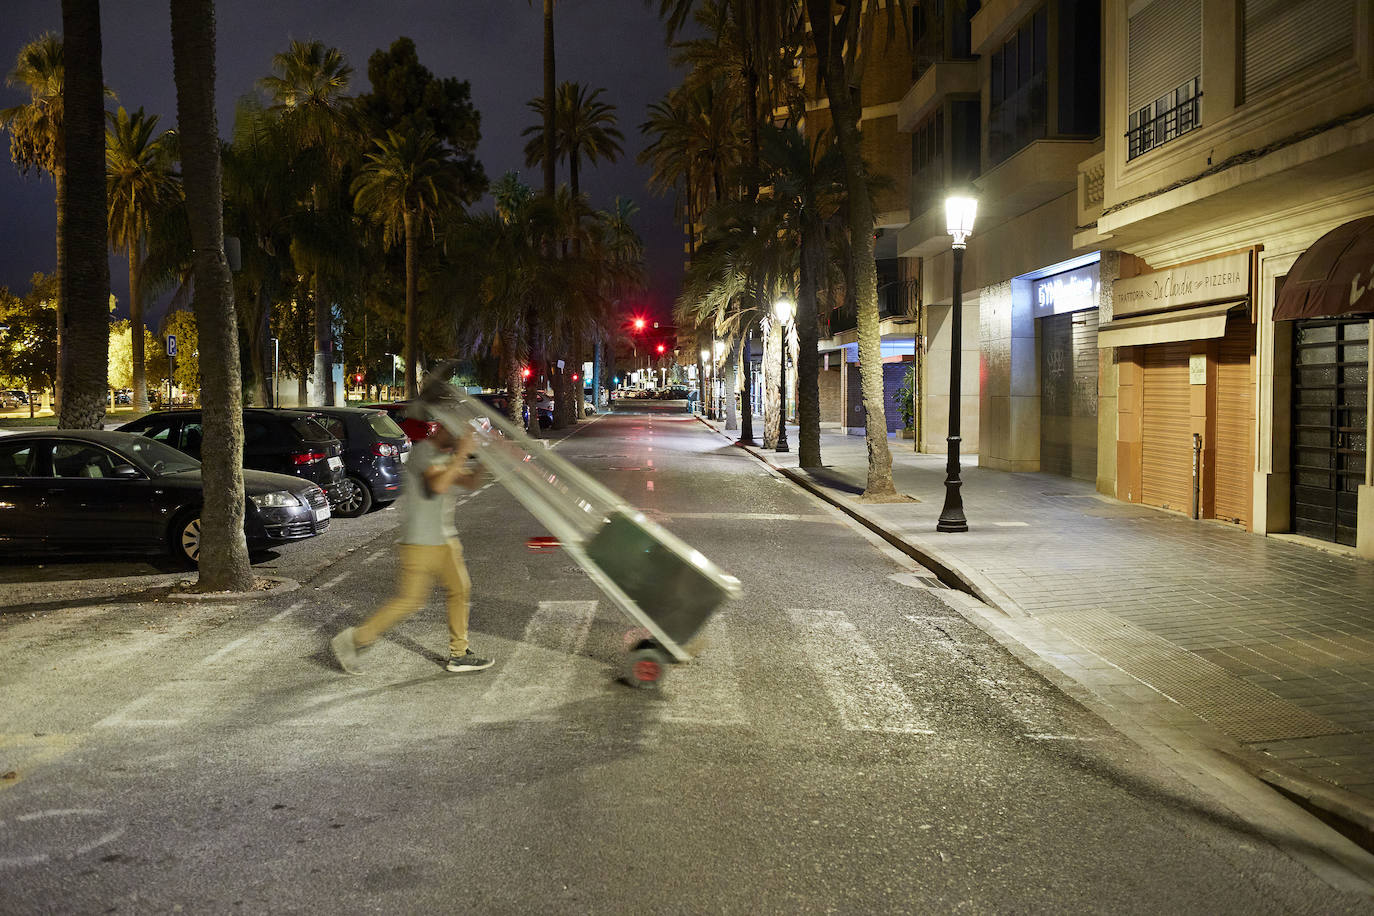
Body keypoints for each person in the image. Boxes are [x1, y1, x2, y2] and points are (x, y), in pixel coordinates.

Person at [330, 422, 494, 675]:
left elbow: (470, 482)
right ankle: (355, 640)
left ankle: (459, 654)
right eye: (457, 433)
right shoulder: (424, 452)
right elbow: (438, 485)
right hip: (421, 542)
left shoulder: (445, 456)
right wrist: (463, 452)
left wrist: (486, 457)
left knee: (460, 590)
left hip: (444, 540)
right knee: (410, 601)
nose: (462, 437)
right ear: (442, 430)